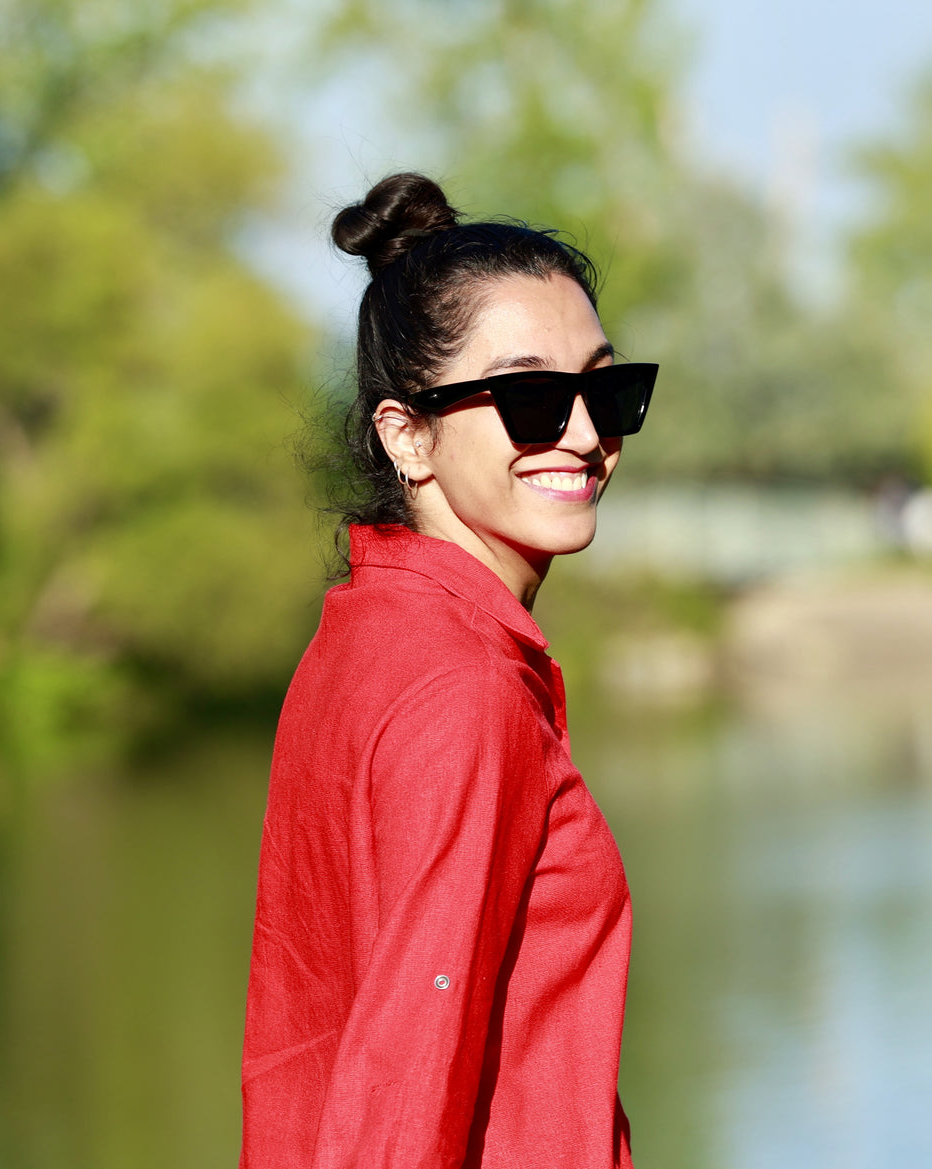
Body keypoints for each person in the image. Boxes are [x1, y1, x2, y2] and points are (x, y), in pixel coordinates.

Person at [240, 172, 656, 1168]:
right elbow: (402, 1086)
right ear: (406, 433)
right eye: (529, 399)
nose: (587, 433)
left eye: (608, 388)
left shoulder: (364, 638)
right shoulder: (461, 689)